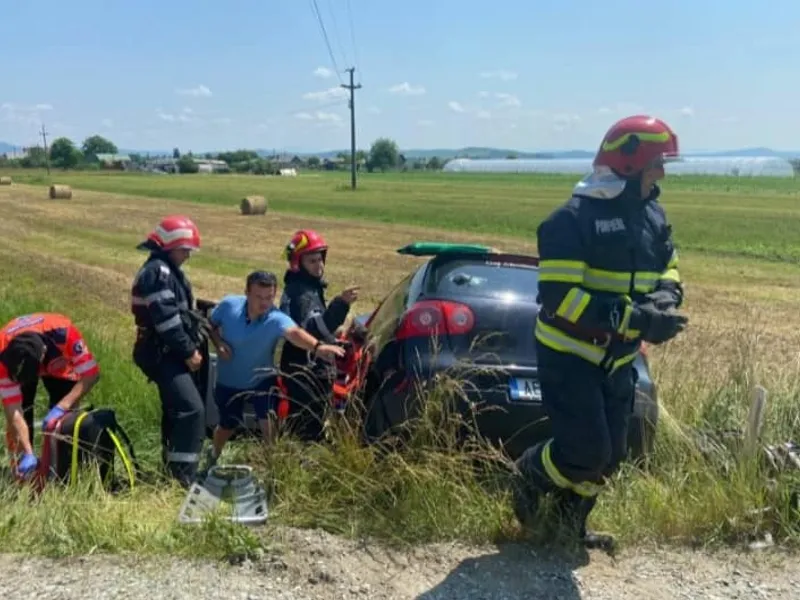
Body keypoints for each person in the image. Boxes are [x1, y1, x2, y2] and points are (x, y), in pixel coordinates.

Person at [513, 115, 689, 551]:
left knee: (611, 458)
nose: (662, 175)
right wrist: (636, 320)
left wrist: (666, 298)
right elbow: (559, 298)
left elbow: (668, 262)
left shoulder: (652, 214)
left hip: (620, 359)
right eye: (657, 165)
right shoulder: (571, 220)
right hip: (571, 356)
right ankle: (528, 477)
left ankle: (569, 528)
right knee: (586, 451)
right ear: (629, 166)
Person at [204, 270, 346, 467]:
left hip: (262, 380)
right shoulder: (228, 305)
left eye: (269, 297)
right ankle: (212, 458)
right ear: (246, 292)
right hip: (230, 380)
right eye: (258, 297)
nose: (264, 303)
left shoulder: (276, 317)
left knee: (269, 424)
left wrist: (317, 347)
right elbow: (209, 324)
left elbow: (295, 333)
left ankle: (273, 469)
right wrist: (218, 342)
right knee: (227, 426)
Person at [130, 214, 210, 488]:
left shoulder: (165, 269)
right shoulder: (157, 272)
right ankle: (183, 479)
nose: (188, 255)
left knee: (176, 411)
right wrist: (188, 351)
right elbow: (167, 319)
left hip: (165, 349)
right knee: (191, 410)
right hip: (161, 351)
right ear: (168, 246)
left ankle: (173, 472)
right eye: (184, 249)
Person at [278, 229, 359, 441]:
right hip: (308, 369)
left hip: (306, 366)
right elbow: (314, 329)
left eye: (321, 259)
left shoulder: (305, 288)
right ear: (298, 263)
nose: (319, 265)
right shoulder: (302, 293)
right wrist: (341, 305)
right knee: (308, 427)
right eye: (312, 261)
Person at [0, 312, 101, 478]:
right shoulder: (3, 354)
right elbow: (14, 412)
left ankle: (62, 471)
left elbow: (91, 374)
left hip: (58, 359)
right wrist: (26, 452)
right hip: (20, 359)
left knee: (65, 418)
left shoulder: (64, 333)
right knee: (22, 413)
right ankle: (23, 474)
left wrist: (62, 407)